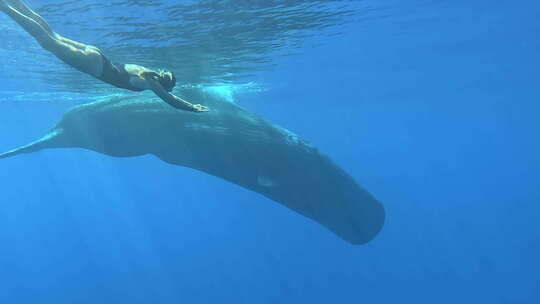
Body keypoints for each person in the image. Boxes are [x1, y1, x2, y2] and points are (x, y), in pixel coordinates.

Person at [0, 0, 208, 112]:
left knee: (52, 33)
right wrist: (192, 107)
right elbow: (170, 100)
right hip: (95, 66)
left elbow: (166, 93)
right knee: (46, 41)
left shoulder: (146, 71)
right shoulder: (152, 83)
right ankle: (5, 8)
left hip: (98, 54)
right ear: (165, 85)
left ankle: (16, 3)